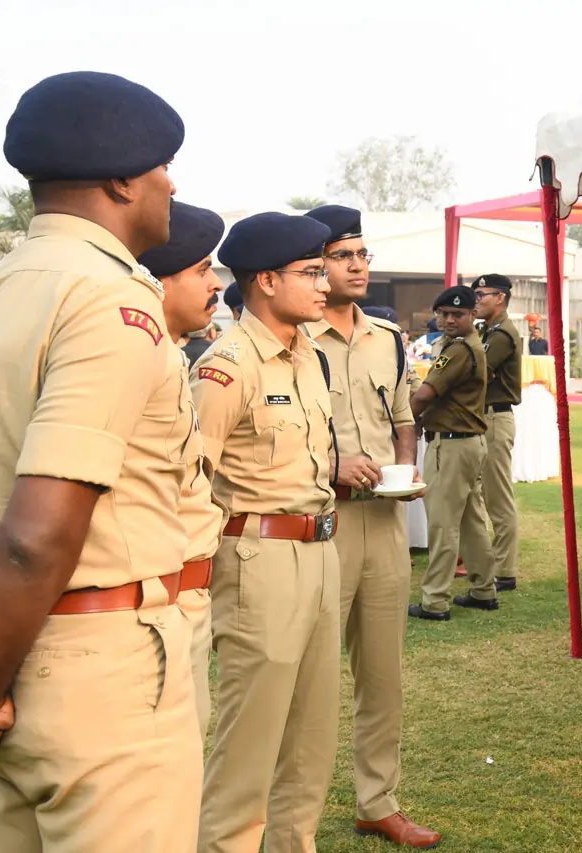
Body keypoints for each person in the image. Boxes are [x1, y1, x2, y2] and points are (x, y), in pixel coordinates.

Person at [0, 70, 202, 850]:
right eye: (163, 166)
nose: (172, 185)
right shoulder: (111, 297)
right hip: (92, 665)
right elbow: (34, 535)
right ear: (121, 180)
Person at [191, 212, 342, 853]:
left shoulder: (309, 357)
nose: (326, 284)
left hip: (321, 550)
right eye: (311, 272)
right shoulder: (227, 367)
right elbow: (191, 480)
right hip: (258, 557)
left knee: (313, 731)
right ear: (267, 281)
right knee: (251, 736)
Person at [300, 204, 439, 849]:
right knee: (308, 678)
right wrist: (332, 468)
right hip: (317, 523)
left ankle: (377, 801)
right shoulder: (295, 337)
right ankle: (293, 816)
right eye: (343, 256)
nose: (357, 266)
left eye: (363, 255)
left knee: (382, 676)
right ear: (316, 265)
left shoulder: (387, 337)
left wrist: (405, 466)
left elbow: (404, 415)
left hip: (384, 521)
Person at [137, 200, 228, 739]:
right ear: (159, 280)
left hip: (184, 597)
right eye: (201, 270)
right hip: (153, 606)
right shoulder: (144, 357)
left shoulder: (171, 355)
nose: (215, 284)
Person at [408, 286, 498, 620]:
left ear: (473, 314)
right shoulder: (465, 345)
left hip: (452, 445)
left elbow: (425, 394)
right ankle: (484, 589)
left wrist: (405, 422)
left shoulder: (459, 350)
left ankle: (434, 601)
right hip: (467, 442)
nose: (448, 320)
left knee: (443, 523)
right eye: (443, 313)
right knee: (471, 521)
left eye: (457, 314)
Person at [473, 273, 522, 592]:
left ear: (500, 298)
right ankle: (487, 564)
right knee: (478, 494)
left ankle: (505, 571)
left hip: (494, 417)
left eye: (481, 295)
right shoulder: (487, 330)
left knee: (497, 497)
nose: (476, 301)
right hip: (484, 418)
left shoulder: (502, 334)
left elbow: (474, 370)